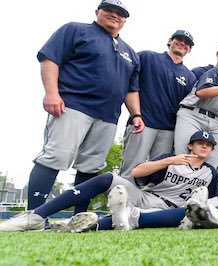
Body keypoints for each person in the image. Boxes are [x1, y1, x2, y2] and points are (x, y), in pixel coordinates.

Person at [26, 0, 143, 213]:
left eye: (121, 13)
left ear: (125, 20)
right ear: (97, 11)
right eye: (110, 10)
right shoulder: (76, 30)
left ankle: (79, 216)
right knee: (55, 156)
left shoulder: (131, 53)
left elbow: (130, 89)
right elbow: (50, 59)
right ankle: (33, 214)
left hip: (108, 115)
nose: (115, 15)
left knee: (91, 166)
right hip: (73, 105)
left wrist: (136, 114)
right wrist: (51, 93)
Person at [0, 130, 218, 232]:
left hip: (170, 209)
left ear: (211, 150)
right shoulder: (171, 159)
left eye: (208, 145)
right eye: (199, 142)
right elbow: (137, 172)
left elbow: (209, 204)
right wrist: (169, 160)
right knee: (107, 178)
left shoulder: (210, 173)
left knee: (124, 218)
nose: (204, 146)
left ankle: (74, 226)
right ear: (190, 145)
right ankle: (37, 215)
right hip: (147, 197)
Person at [119, 30, 196, 181]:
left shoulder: (190, 76)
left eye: (187, 43)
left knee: (158, 176)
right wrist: (135, 113)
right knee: (130, 171)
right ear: (170, 41)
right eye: (179, 39)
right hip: (142, 123)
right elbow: (125, 78)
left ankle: (148, 205)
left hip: (168, 130)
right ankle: (120, 203)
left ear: (189, 49)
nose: (182, 43)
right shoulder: (147, 57)